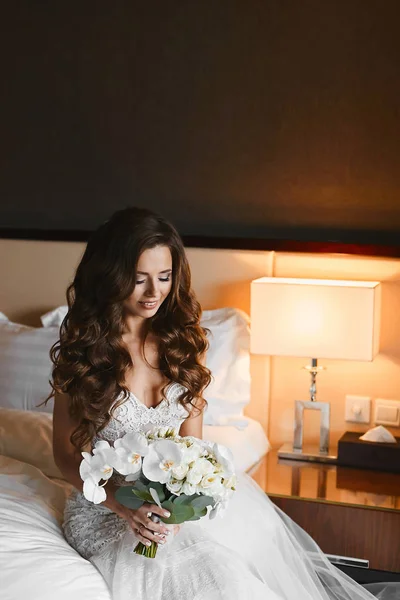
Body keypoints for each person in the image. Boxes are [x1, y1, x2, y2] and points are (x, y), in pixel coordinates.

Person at [49, 207, 397, 600]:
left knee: (214, 567)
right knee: (184, 569)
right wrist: (123, 507)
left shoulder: (181, 346)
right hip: (104, 511)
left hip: (169, 507)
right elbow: (64, 455)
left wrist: (181, 508)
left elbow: (192, 450)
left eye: (164, 278)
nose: (154, 293)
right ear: (111, 277)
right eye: (139, 279)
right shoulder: (84, 355)